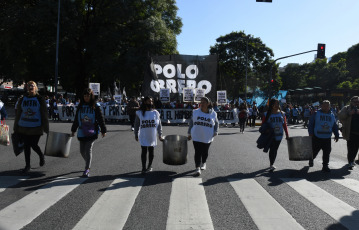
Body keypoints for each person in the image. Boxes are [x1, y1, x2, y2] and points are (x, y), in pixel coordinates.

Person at [13, 81, 49, 173]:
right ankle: (27, 165)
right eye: (29, 86)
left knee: (33, 144)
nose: (30, 87)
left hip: (36, 127)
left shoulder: (40, 99)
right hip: (23, 126)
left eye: (32, 86)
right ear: (27, 88)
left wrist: (46, 128)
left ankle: (41, 155)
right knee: (26, 146)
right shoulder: (23, 98)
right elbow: (18, 113)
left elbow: (44, 113)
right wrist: (15, 126)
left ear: (36, 88)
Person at [71, 88, 107, 177]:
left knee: (88, 149)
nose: (86, 98)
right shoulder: (80, 106)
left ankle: (87, 169)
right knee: (82, 151)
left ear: (91, 96)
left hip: (92, 131)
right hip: (82, 131)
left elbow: (100, 118)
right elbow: (76, 119)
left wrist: (103, 130)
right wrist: (73, 129)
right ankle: (88, 162)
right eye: (85, 96)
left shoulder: (96, 106)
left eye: (88, 96)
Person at [188, 97, 219, 176]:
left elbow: (217, 123)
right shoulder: (195, 112)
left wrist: (216, 131)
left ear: (208, 103)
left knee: (205, 152)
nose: (202, 104)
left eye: (204, 102)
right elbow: (191, 122)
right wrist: (189, 133)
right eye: (201, 102)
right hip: (196, 135)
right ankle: (197, 167)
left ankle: (204, 162)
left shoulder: (213, 113)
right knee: (197, 151)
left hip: (207, 136)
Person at [134, 96, 164, 174]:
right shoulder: (139, 112)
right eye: (148, 101)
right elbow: (136, 124)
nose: (150, 103)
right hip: (143, 135)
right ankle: (143, 167)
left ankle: (149, 166)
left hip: (152, 135)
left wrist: (160, 134)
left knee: (151, 151)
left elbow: (159, 124)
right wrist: (136, 134)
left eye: (151, 101)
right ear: (144, 102)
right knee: (144, 151)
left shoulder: (155, 112)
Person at [308, 100, 339, 172]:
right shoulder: (316, 113)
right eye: (324, 105)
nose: (326, 107)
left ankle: (325, 166)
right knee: (315, 151)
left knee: (327, 152)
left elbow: (334, 125)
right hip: (317, 136)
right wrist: (310, 133)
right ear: (321, 106)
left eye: (327, 106)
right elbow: (311, 124)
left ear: (329, 106)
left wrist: (336, 134)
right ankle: (311, 158)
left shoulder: (331, 115)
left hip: (327, 137)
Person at [261, 98, 289, 171]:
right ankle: (271, 164)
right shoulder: (266, 114)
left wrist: (287, 134)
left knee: (275, 149)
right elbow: (263, 124)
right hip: (270, 135)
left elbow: (284, 125)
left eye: (278, 104)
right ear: (272, 105)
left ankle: (272, 163)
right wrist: (266, 130)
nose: (277, 105)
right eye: (275, 104)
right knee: (272, 149)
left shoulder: (282, 113)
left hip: (279, 135)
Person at [338, 96, 359, 170]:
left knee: (356, 148)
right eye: (355, 102)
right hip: (350, 132)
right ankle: (350, 161)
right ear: (351, 102)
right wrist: (349, 113)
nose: (357, 103)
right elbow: (340, 116)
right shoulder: (346, 108)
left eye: (358, 101)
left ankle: (352, 160)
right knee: (350, 148)